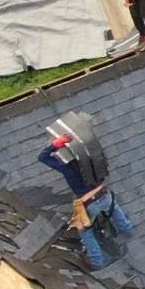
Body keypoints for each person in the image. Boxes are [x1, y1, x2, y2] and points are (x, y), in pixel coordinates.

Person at [40, 112, 133, 268]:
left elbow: (42, 157)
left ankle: (97, 261)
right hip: (105, 195)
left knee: (86, 231)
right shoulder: (93, 156)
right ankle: (128, 230)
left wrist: (55, 145)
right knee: (115, 210)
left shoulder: (66, 166)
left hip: (89, 204)